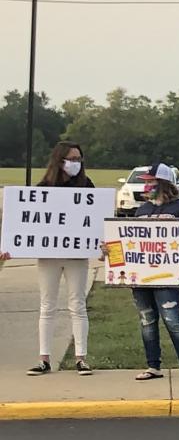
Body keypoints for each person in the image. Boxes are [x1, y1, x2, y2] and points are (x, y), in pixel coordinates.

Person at [1, 143, 97, 376]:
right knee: (47, 306)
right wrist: (10, 247)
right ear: (60, 160)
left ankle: (81, 358)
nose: (76, 163)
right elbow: (26, 221)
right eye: (72, 158)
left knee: (78, 305)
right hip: (49, 256)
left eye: (79, 159)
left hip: (76, 255)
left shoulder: (87, 186)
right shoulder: (43, 188)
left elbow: (97, 220)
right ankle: (44, 359)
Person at [130, 163, 179, 384]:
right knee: (147, 320)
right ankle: (153, 365)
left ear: (163, 183)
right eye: (145, 182)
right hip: (141, 276)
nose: (146, 185)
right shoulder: (141, 211)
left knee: (172, 320)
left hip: (169, 277)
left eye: (150, 181)